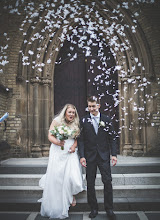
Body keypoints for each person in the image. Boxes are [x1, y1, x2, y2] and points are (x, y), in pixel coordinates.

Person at [39, 104, 85, 219]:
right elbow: (50, 135)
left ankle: (71, 195)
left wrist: (74, 146)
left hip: (70, 151)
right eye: (69, 112)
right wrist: (57, 142)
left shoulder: (76, 123)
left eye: (73, 113)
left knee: (72, 176)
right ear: (65, 112)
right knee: (58, 176)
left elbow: (76, 139)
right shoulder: (56, 121)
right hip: (58, 150)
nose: (71, 114)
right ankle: (59, 198)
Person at [78, 96, 117, 220]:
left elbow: (112, 138)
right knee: (90, 183)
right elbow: (81, 140)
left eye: (93, 106)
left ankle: (109, 209)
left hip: (104, 156)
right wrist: (82, 156)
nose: (91, 108)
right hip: (90, 157)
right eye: (89, 106)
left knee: (107, 181)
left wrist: (114, 154)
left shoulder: (106, 119)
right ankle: (93, 208)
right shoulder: (83, 120)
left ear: (98, 106)